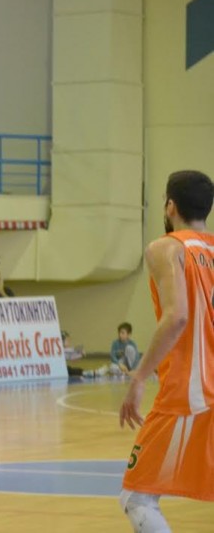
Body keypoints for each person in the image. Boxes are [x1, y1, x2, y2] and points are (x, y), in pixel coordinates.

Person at [119, 170, 214, 532]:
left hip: (190, 391)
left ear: (170, 206)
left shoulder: (166, 248)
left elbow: (177, 317)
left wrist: (139, 377)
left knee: (136, 497)